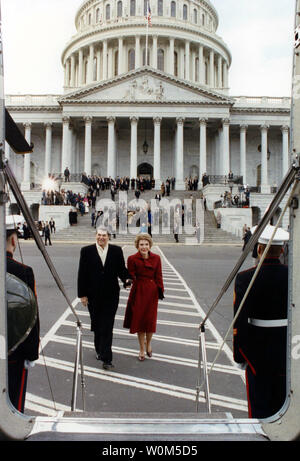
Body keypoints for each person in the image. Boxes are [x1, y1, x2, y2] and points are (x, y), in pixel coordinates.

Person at [233, 224, 289, 419]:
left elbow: (239, 320)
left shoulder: (244, 278)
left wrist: (240, 355)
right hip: (289, 347)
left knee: (260, 408)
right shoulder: (293, 276)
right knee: (286, 402)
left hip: (258, 351)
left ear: (259, 248)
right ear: (282, 250)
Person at [77, 227, 132, 370]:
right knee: (96, 324)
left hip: (111, 295)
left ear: (108, 237)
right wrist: (82, 295)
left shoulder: (116, 251)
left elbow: (121, 269)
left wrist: (127, 279)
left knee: (107, 325)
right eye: (99, 235)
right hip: (92, 295)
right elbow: (82, 273)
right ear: (96, 236)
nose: (101, 237)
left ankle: (106, 359)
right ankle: (99, 349)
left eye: (104, 235)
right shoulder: (86, 251)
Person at [6, 216, 40, 413]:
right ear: (13, 241)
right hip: (13, 351)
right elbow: (31, 316)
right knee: (12, 404)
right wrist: (31, 352)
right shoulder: (23, 271)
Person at [123, 234, 164, 361]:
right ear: (137, 246)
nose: (144, 247)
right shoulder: (132, 259)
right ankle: (141, 348)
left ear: (150, 245)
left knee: (150, 321)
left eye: (146, 244)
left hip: (152, 292)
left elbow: (159, 276)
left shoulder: (156, 258)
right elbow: (130, 275)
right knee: (140, 321)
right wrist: (128, 282)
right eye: (141, 244)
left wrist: (160, 291)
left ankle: (149, 343)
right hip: (138, 291)